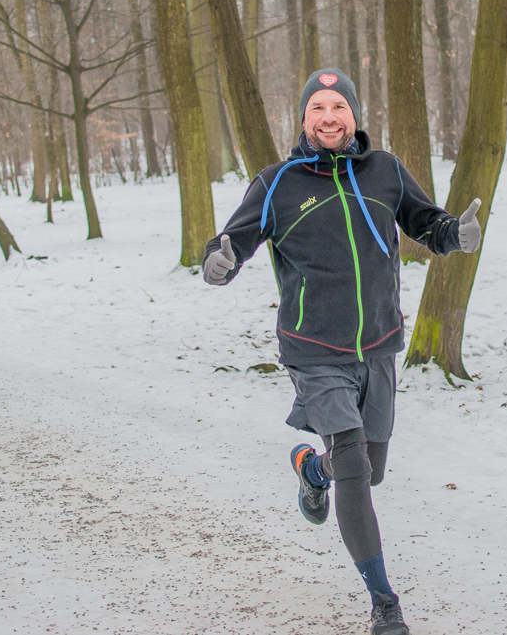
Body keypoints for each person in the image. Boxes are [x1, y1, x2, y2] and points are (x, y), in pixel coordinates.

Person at [202, 69, 482, 635]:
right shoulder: (278, 182)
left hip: (378, 345)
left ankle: (312, 468)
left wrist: (455, 235)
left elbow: (425, 223)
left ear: (353, 115)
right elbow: (235, 240)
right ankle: (385, 603)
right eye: (316, 109)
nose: (328, 117)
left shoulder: (384, 171)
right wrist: (218, 261)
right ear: (303, 119)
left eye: (337, 107)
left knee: (370, 471)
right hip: (313, 351)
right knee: (355, 467)